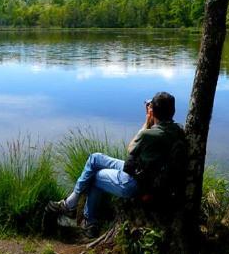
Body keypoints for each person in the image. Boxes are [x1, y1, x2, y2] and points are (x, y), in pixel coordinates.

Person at [47, 92, 187, 238]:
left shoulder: (149, 135)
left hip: (133, 182)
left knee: (93, 177)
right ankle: (72, 203)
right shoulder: (178, 130)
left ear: (153, 111)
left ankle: (89, 222)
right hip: (147, 176)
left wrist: (147, 122)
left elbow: (131, 148)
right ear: (173, 111)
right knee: (95, 158)